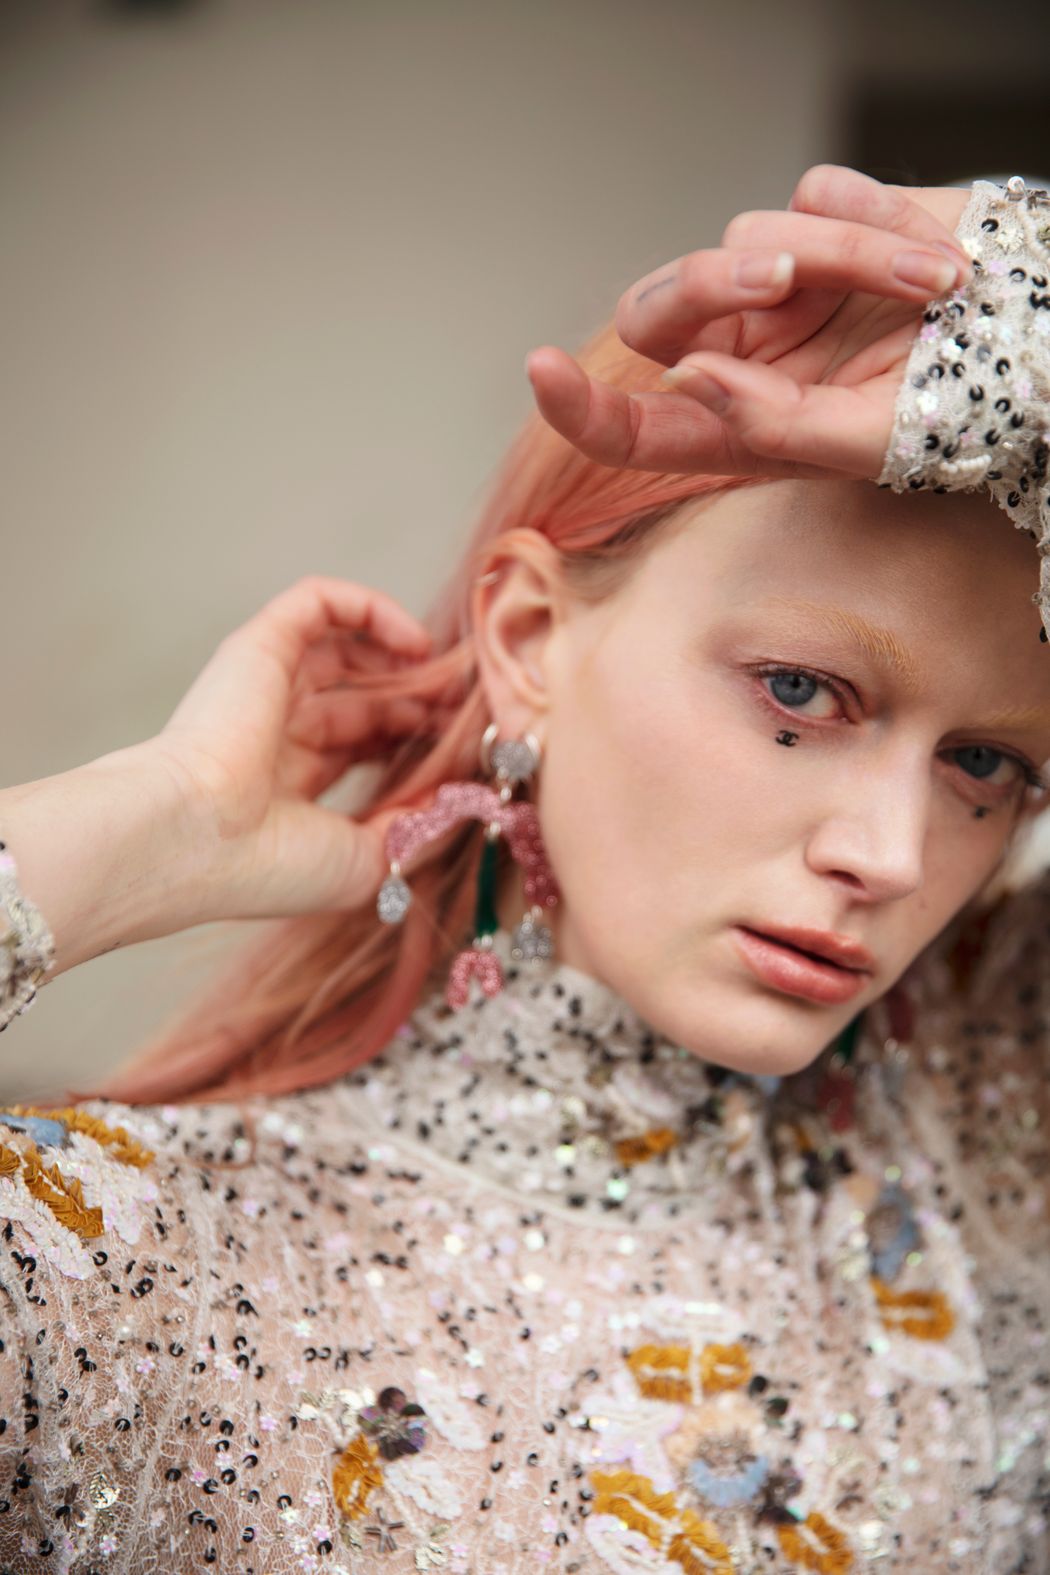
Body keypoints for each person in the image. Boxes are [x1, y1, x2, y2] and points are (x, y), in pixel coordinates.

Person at [0, 164, 1047, 1574]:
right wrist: (134, 838)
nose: (889, 854)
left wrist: (1024, 298)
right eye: (800, 691)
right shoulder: (118, 1267)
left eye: (985, 765)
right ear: (529, 641)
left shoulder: (989, 1136)